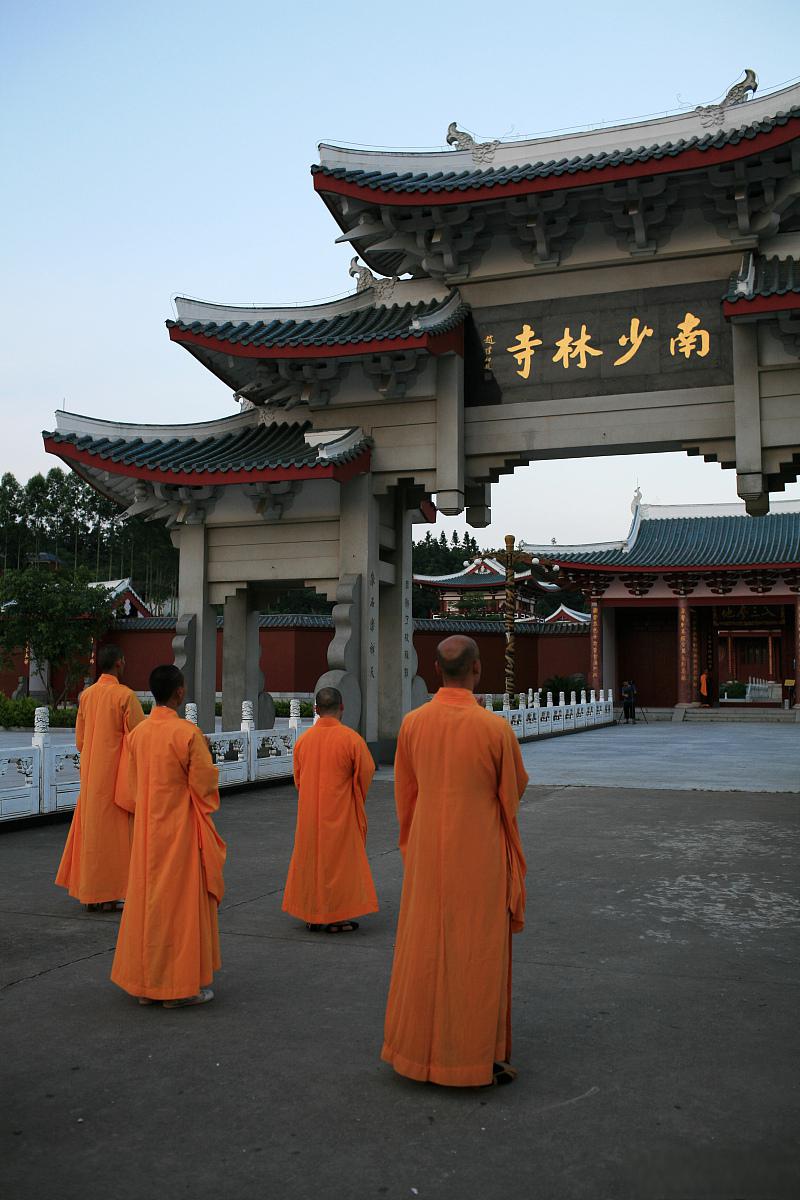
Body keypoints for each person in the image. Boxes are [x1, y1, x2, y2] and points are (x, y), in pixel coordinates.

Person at [381, 635, 528, 1088]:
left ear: (436, 670)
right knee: (475, 952)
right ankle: (469, 1057)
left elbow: (405, 794)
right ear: (478, 670)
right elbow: (513, 792)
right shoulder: (494, 729)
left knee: (423, 947)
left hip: (427, 851)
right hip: (478, 853)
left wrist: (415, 842)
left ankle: (414, 1054)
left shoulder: (412, 724)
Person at [110, 664, 226, 1008]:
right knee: (179, 907)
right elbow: (205, 789)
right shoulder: (187, 734)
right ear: (179, 692)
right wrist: (209, 753)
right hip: (179, 832)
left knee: (148, 905)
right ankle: (177, 987)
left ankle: (146, 984)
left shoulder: (138, 735)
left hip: (147, 833)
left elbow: (131, 790)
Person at [55, 644, 145, 911]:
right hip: (116, 778)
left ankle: (91, 893)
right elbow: (140, 737)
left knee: (92, 836)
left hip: (92, 777)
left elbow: (81, 741)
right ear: (119, 663)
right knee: (115, 838)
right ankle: (108, 893)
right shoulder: (125, 696)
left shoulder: (86, 696)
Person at [283, 686, 378, 933]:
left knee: (310, 860)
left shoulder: (303, 741)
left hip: (310, 813)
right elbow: (365, 774)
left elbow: (298, 779)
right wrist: (354, 796)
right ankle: (336, 917)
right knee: (339, 863)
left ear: (316, 709)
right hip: (340, 811)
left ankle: (312, 914)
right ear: (342, 708)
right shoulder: (351, 739)